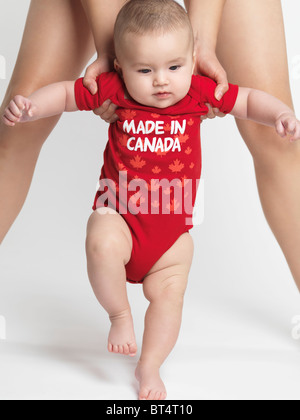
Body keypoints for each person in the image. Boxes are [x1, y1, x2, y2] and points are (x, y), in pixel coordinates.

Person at [3, 0, 300, 401]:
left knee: (275, 139)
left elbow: (247, 102)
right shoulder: (124, 78)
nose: (162, 82)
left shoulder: (193, 86)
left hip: (169, 232)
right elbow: (66, 95)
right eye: (144, 71)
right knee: (18, 124)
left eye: (176, 68)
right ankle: (120, 315)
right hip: (119, 214)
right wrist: (114, 53)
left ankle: (150, 365)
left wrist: (202, 45)